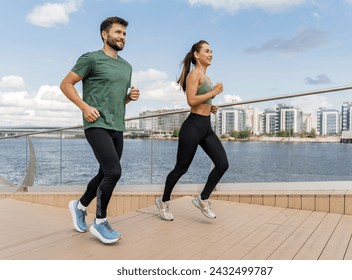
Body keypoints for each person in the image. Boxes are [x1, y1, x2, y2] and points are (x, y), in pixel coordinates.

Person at [60, 16, 140, 244]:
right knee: (114, 172)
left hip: (117, 126)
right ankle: (100, 222)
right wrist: (84, 107)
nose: (122, 37)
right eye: (117, 32)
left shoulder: (127, 66)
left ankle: (80, 205)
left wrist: (129, 98)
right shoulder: (91, 59)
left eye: (124, 33)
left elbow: (115, 100)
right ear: (105, 35)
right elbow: (66, 84)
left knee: (105, 172)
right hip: (96, 125)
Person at [155, 40, 229, 221]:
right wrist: (213, 93)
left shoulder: (208, 78)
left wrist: (209, 106)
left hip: (206, 127)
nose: (211, 54)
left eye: (212, 51)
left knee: (222, 164)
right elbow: (191, 100)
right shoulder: (194, 74)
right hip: (193, 127)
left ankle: (202, 198)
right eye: (207, 51)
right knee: (181, 168)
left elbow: (200, 100)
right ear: (197, 55)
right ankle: (163, 201)